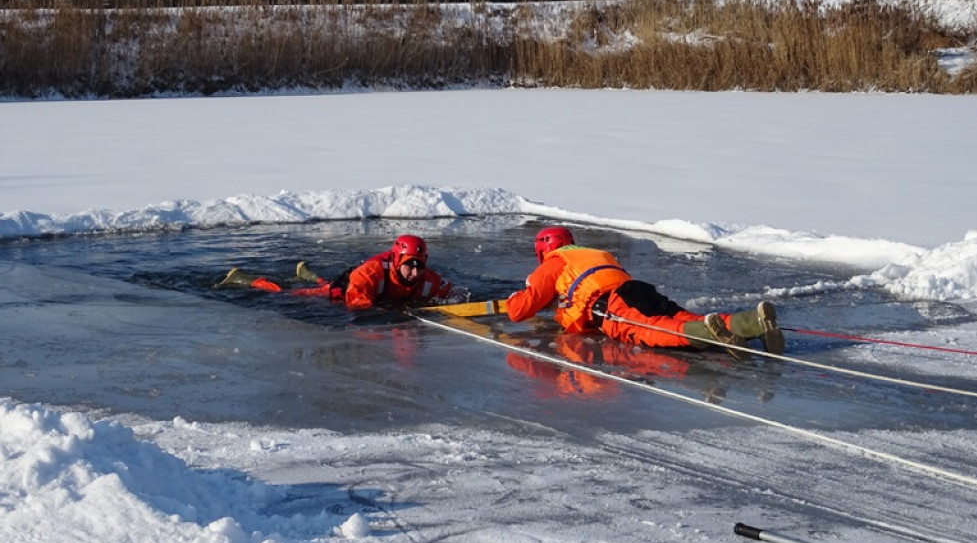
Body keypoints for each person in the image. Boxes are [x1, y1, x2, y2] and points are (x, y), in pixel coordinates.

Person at [505, 226, 784, 358]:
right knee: (685, 316)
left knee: (657, 330)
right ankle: (751, 322)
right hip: (636, 289)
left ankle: (713, 337)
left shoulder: (555, 263)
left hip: (611, 306)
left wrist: (515, 299)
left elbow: (520, 310)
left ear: (544, 249)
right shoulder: (593, 253)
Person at [214, 234, 469, 310]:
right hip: (346, 288)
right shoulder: (370, 274)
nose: (415, 271)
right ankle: (248, 279)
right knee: (292, 294)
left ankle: (306, 271)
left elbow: (453, 293)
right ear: (398, 260)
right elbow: (358, 306)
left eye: (419, 265)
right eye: (410, 264)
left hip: (373, 291)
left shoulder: (428, 279)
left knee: (319, 284)